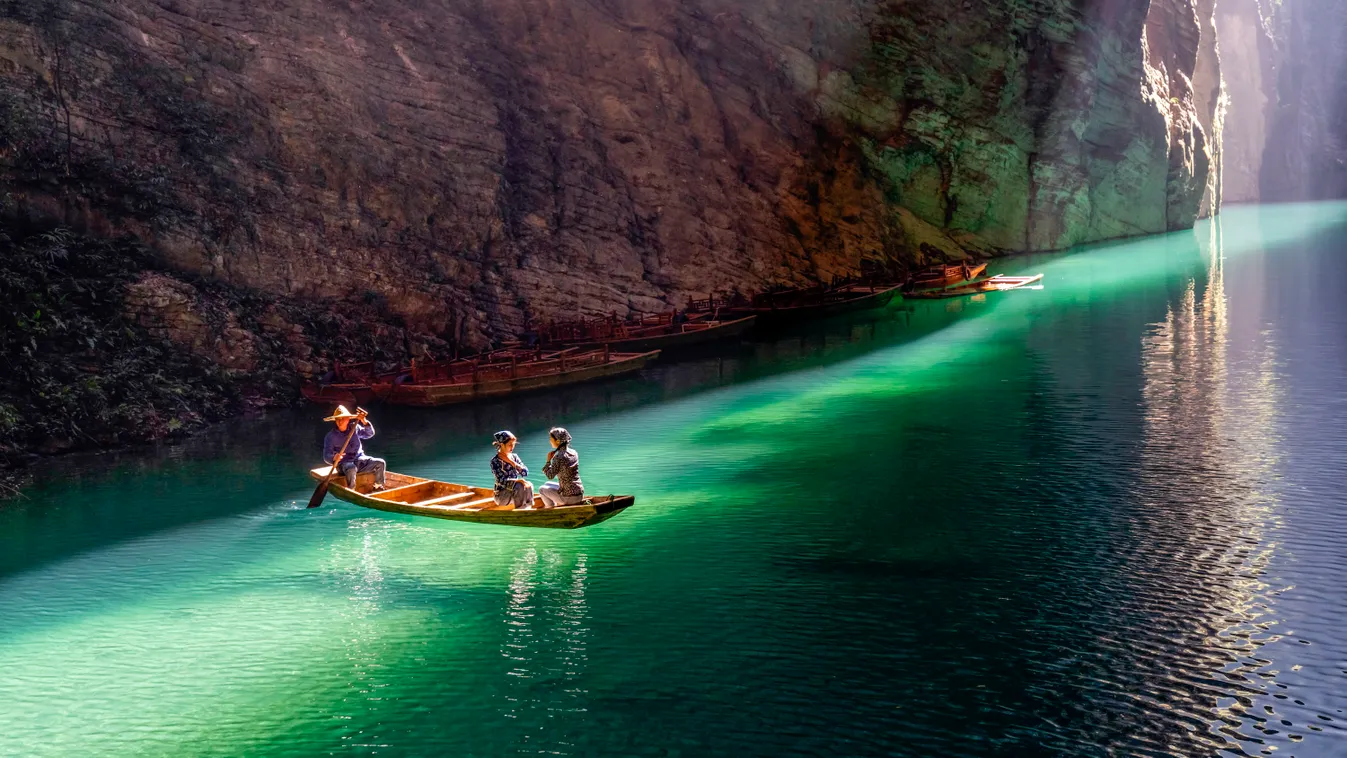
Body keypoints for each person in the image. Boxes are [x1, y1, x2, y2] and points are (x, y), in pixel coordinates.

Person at [323, 405, 386, 491]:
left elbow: (369, 434)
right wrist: (334, 457)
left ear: (348, 419)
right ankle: (351, 490)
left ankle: (378, 486)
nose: (340, 421)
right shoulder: (330, 436)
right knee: (351, 468)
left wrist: (363, 421)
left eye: (342, 418)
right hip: (344, 465)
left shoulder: (354, 427)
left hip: (360, 461)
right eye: (337, 419)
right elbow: (326, 455)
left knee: (380, 463)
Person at [539, 427, 585, 508]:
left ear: (557, 441)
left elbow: (550, 476)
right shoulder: (574, 452)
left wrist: (548, 461)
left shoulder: (559, 457)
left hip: (570, 498)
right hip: (579, 493)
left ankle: (550, 509)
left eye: (551, 439)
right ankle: (558, 502)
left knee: (542, 489)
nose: (550, 441)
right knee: (547, 484)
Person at [491, 431, 534, 510]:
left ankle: (528, 508)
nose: (512, 447)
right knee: (519, 485)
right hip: (501, 496)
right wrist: (517, 481)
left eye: (513, 444)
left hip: (515, 492)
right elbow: (501, 481)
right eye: (510, 445)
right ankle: (521, 510)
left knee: (529, 484)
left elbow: (525, 473)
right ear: (502, 445)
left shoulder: (515, 457)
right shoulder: (495, 461)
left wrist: (514, 464)